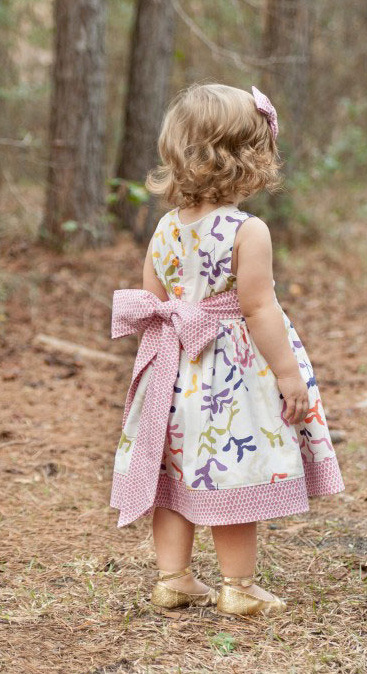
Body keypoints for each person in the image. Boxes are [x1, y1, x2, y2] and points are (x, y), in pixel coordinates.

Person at [110, 83, 345, 616]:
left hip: (172, 370)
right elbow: (259, 309)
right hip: (228, 377)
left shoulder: (163, 228)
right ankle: (238, 587)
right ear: (250, 159)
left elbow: (153, 302)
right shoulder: (247, 230)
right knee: (226, 472)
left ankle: (174, 578)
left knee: (173, 475)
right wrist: (288, 374)